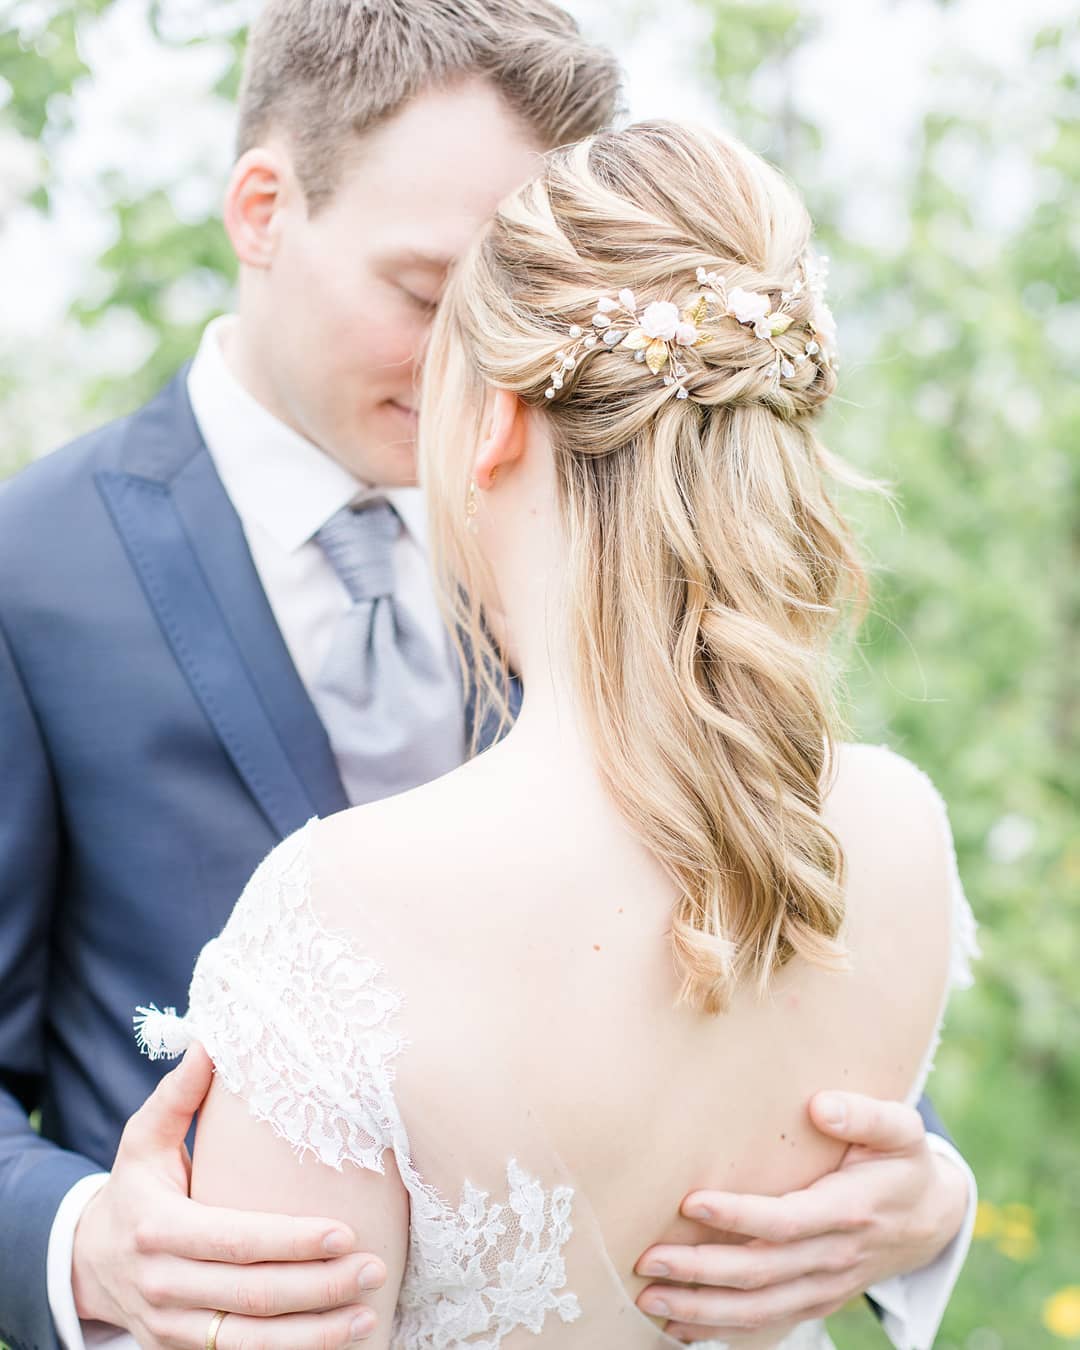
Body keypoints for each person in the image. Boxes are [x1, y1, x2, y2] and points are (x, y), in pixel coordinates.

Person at [0, 4, 973, 1350]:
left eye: (531, 313)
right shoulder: (31, 568)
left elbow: (772, 906)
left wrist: (925, 1193)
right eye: (427, 294)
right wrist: (82, 1244)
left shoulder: (602, 516)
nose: (478, 359)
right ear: (263, 210)